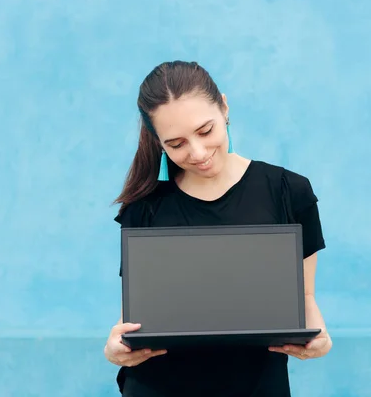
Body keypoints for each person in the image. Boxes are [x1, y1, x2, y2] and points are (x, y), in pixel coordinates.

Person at [104, 60, 332, 397]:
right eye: (176, 144)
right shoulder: (145, 208)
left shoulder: (288, 192)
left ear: (224, 107)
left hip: (256, 386)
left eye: (205, 131)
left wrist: (320, 339)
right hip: (159, 387)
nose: (198, 153)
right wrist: (114, 349)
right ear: (158, 143)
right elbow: (133, 321)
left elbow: (305, 297)